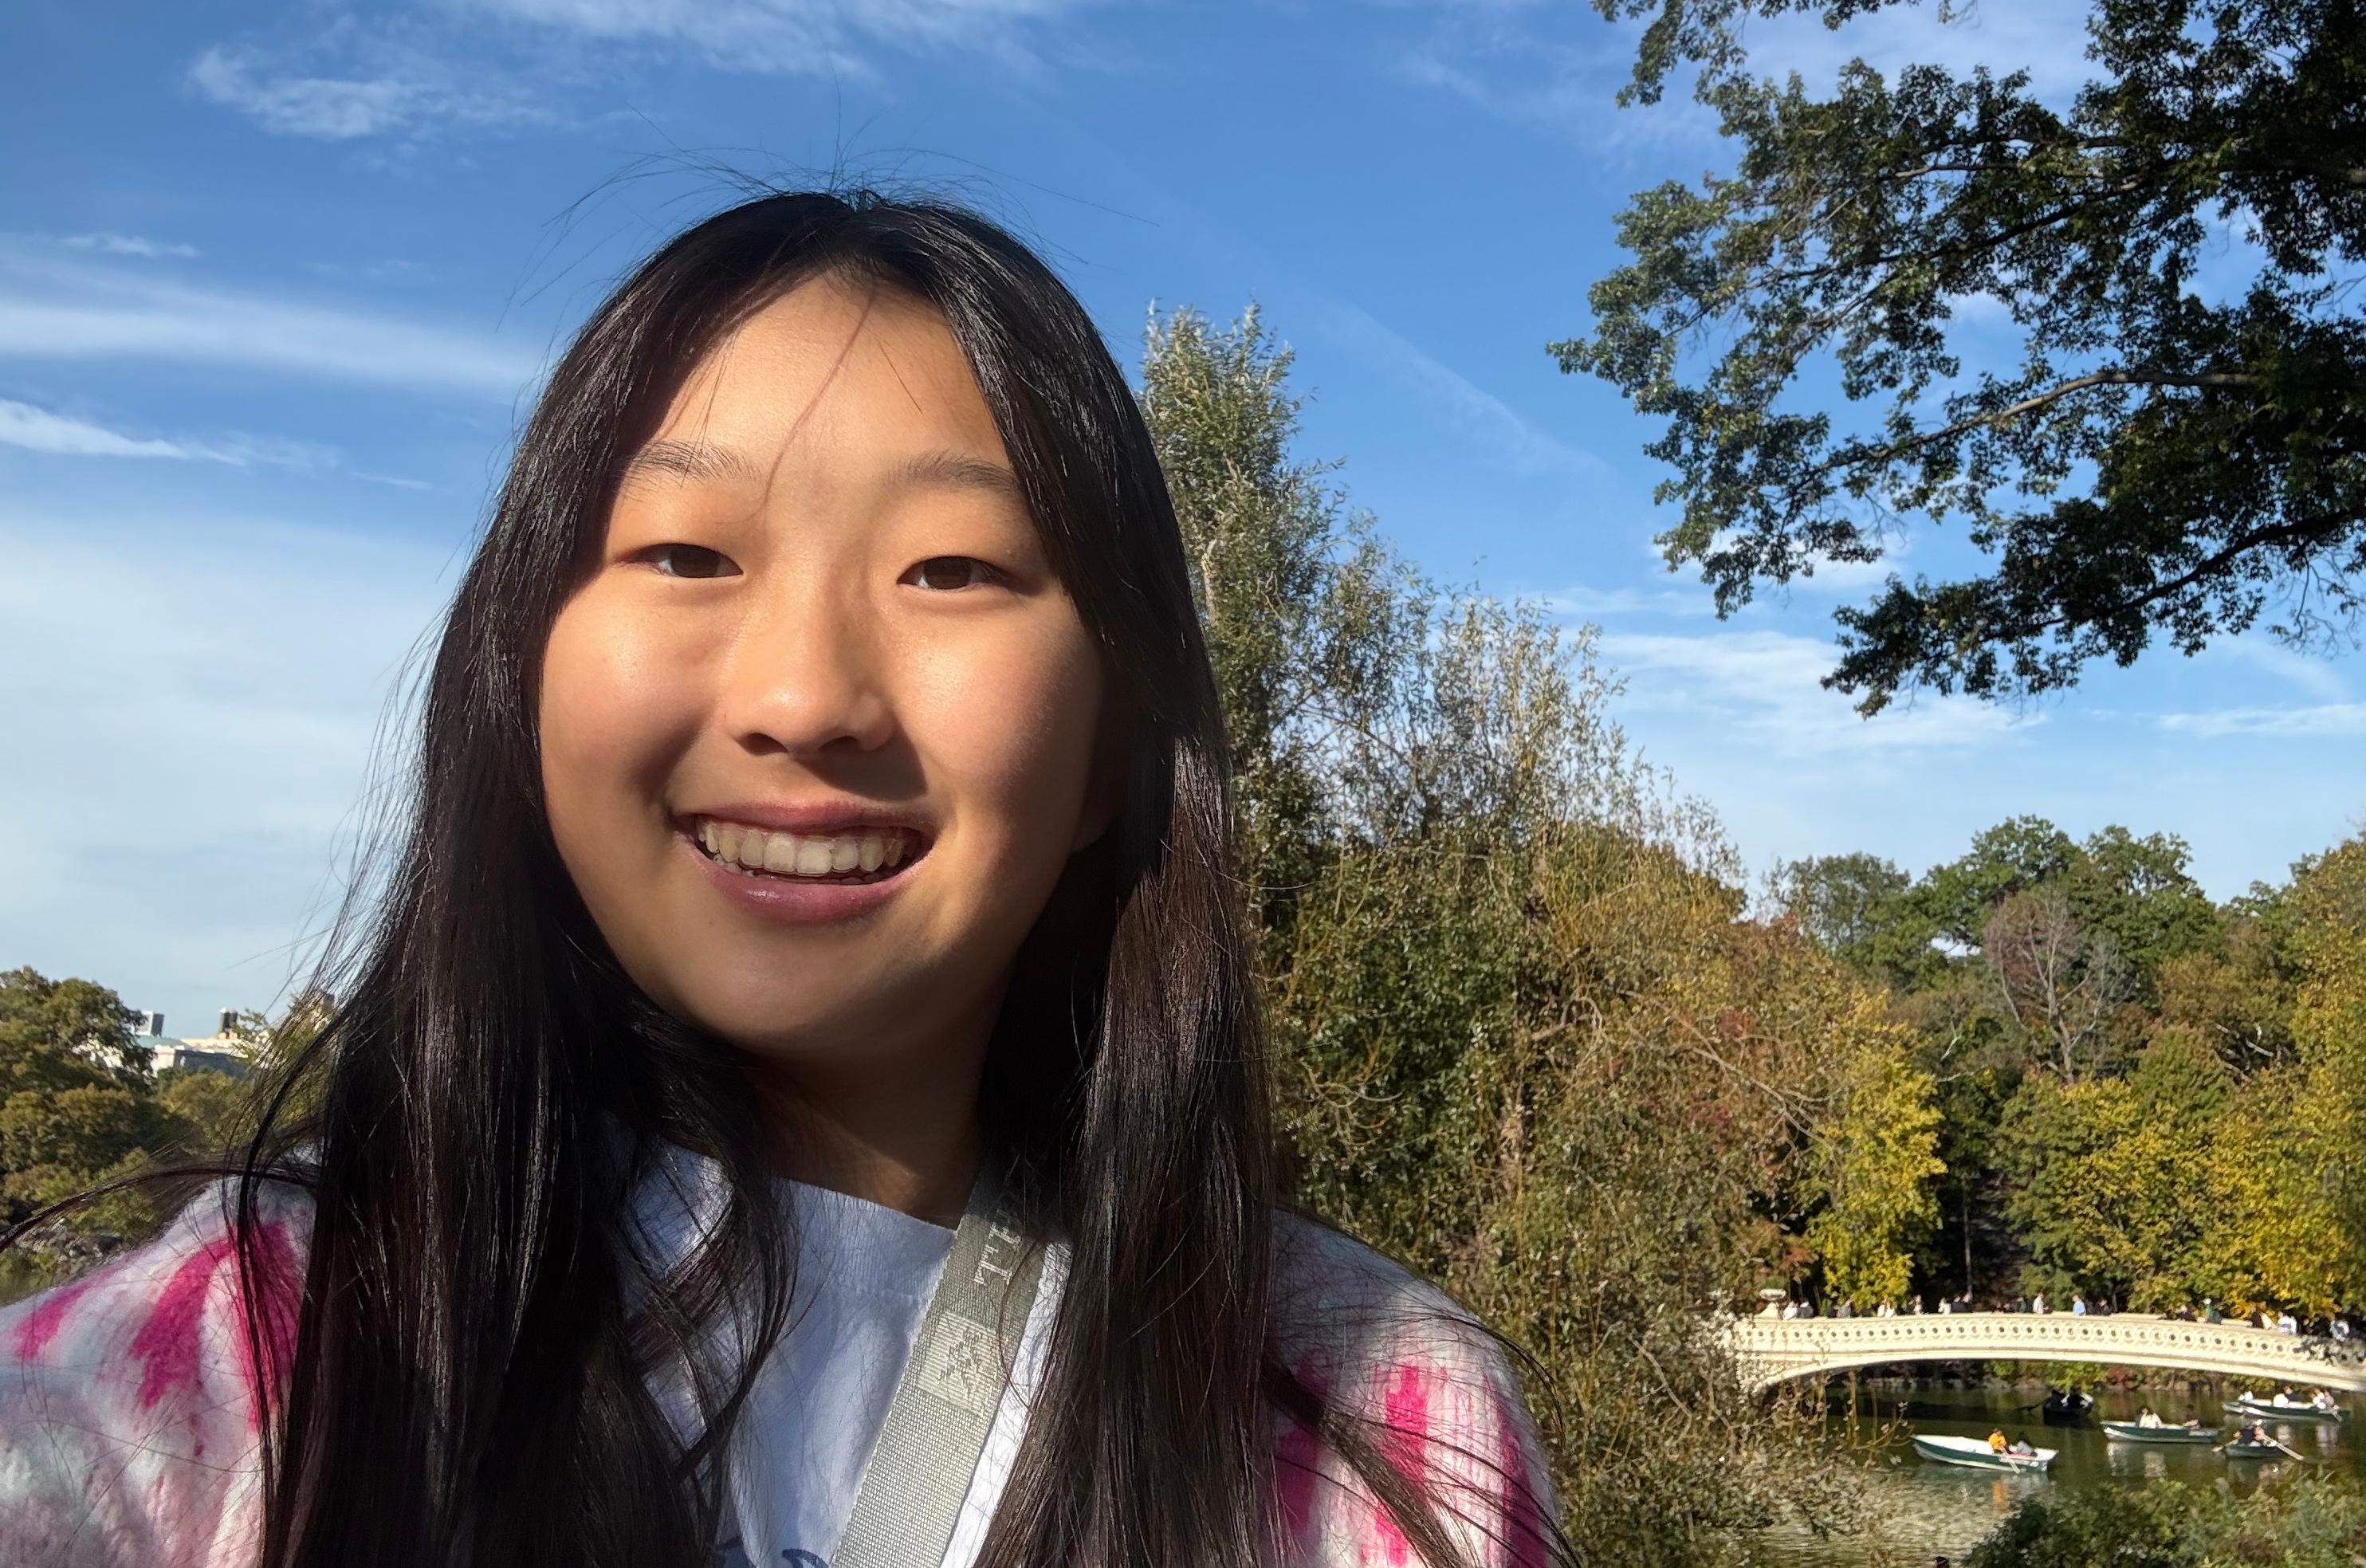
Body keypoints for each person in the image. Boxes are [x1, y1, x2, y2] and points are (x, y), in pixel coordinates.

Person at [0, 194, 1557, 1568]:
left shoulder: (1374, 1423)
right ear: (520, 682)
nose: (804, 700)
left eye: (951, 569)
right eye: (686, 554)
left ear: (1110, 753)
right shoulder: (230, 1364)